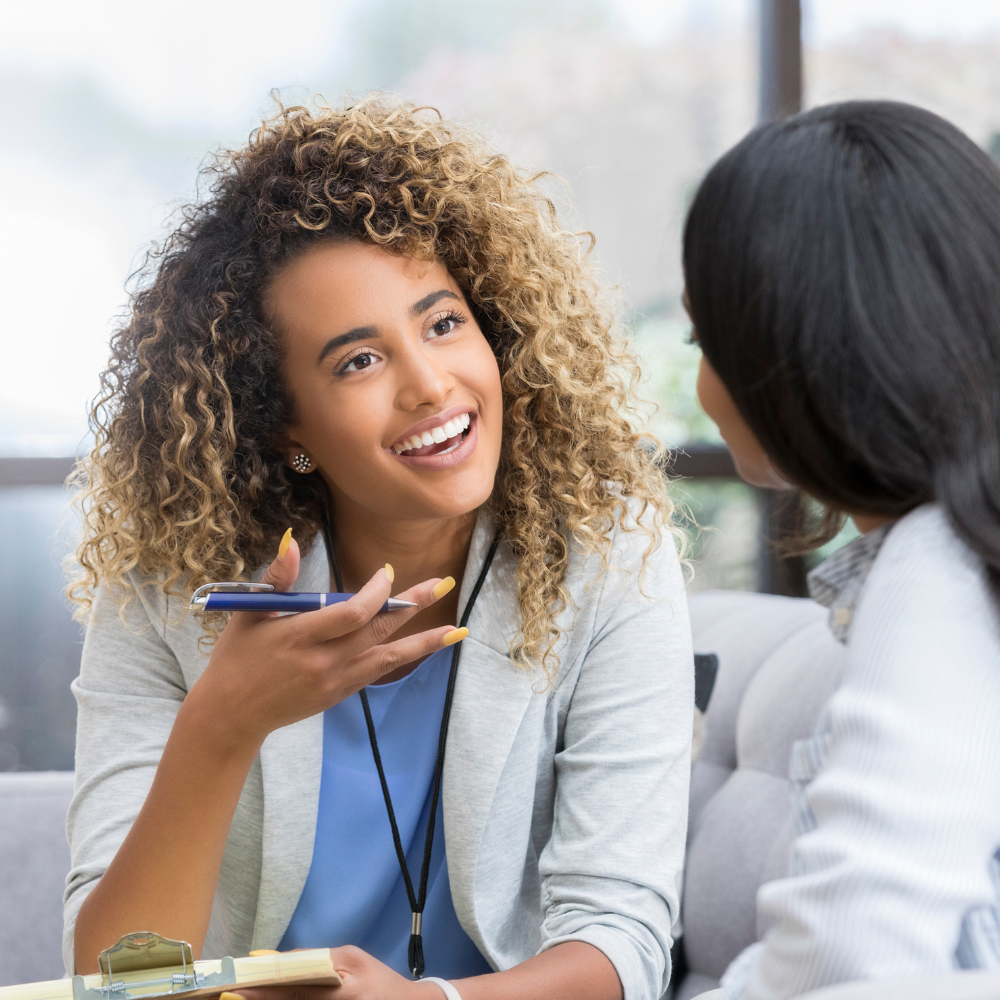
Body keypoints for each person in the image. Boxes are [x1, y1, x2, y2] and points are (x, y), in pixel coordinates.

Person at [64, 98, 694, 1000]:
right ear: (285, 427)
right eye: (358, 361)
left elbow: (622, 938)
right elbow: (111, 981)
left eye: (443, 324)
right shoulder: (169, 590)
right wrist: (222, 725)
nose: (430, 385)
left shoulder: (604, 554)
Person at [682, 100, 1000, 1000]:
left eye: (707, 339)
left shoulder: (938, 568)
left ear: (794, 356)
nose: (703, 383)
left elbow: (850, 947)